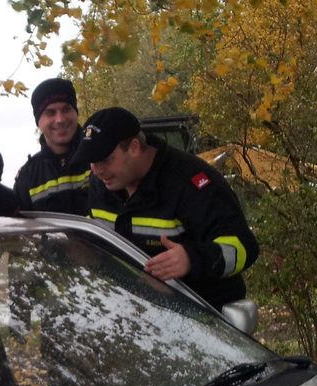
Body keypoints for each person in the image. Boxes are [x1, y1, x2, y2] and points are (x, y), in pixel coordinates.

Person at [71, 107, 258, 310]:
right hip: (138, 317)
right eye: (91, 161)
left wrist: (191, 259)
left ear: (134, 147)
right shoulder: (101, 184)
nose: (97, 170)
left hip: (204, 322)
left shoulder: (192, 182)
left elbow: (244, 247)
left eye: (104, 160)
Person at [13, 78, 91, 215]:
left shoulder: (100, 156)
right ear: (38, 122)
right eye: (50, 112)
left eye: (66, 109)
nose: (60, 119)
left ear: (75, 112)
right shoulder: (27, 176)